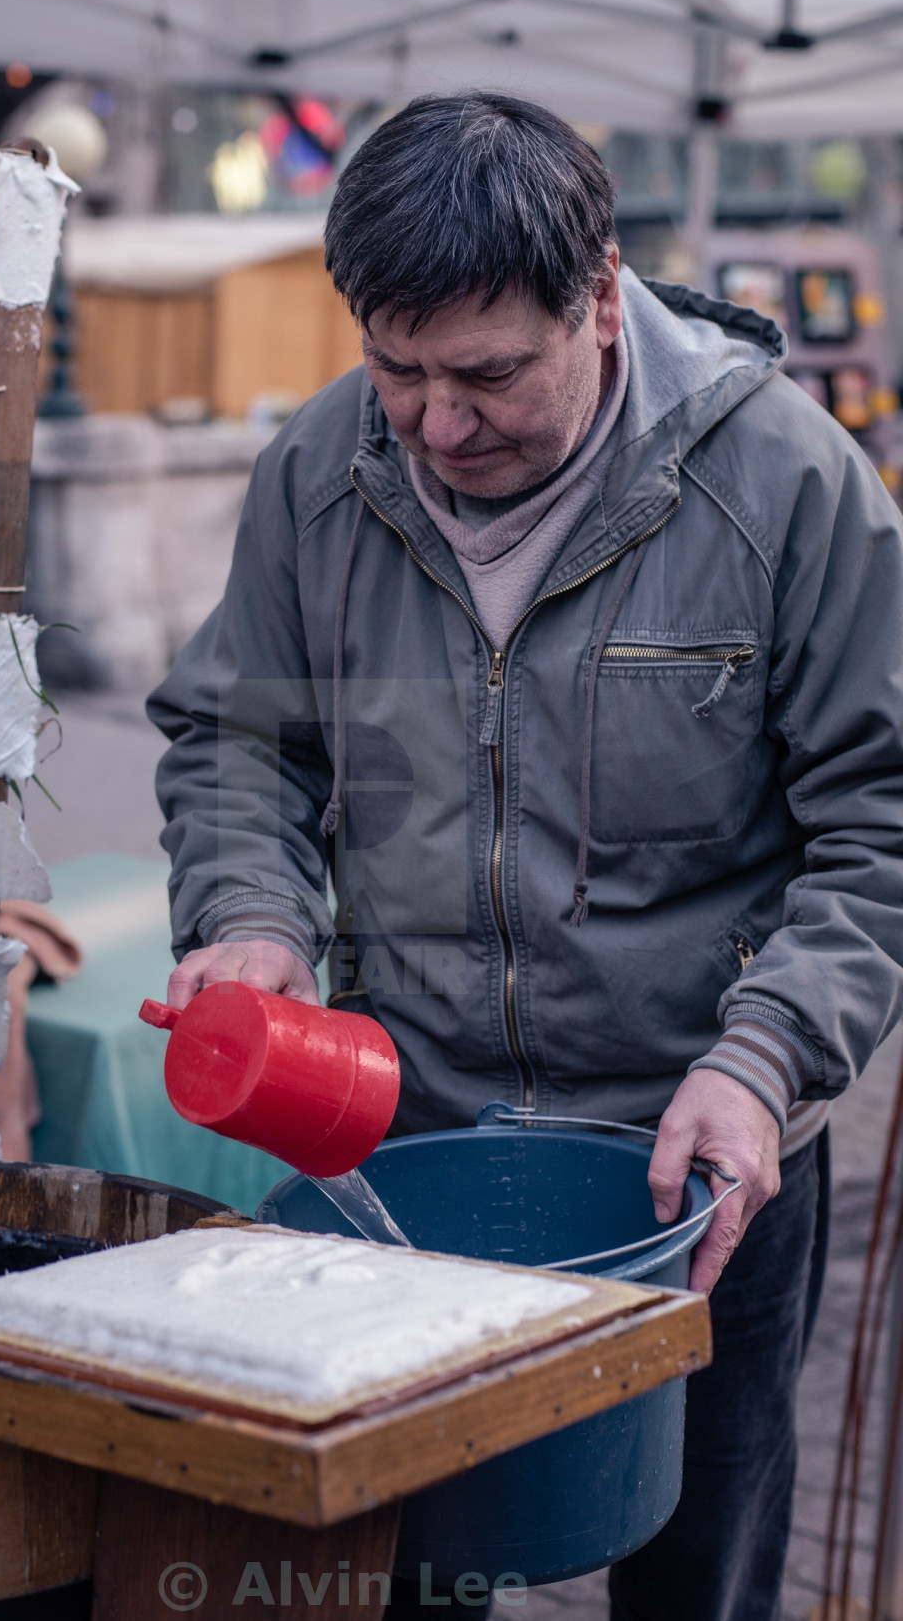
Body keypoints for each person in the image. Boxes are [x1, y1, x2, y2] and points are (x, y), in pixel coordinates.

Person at [148, 93, 903, 1620]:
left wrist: (766, 1061)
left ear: (603, 298)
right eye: (397, 368)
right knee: (421, 1567)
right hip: (407, 1162)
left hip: (701, 1170)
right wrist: (249, 913)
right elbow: (242, 743)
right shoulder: (316, 475)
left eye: (489, 374)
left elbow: (882, 813)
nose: (436, 423)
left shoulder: (788, 484)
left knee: (702, 1578)